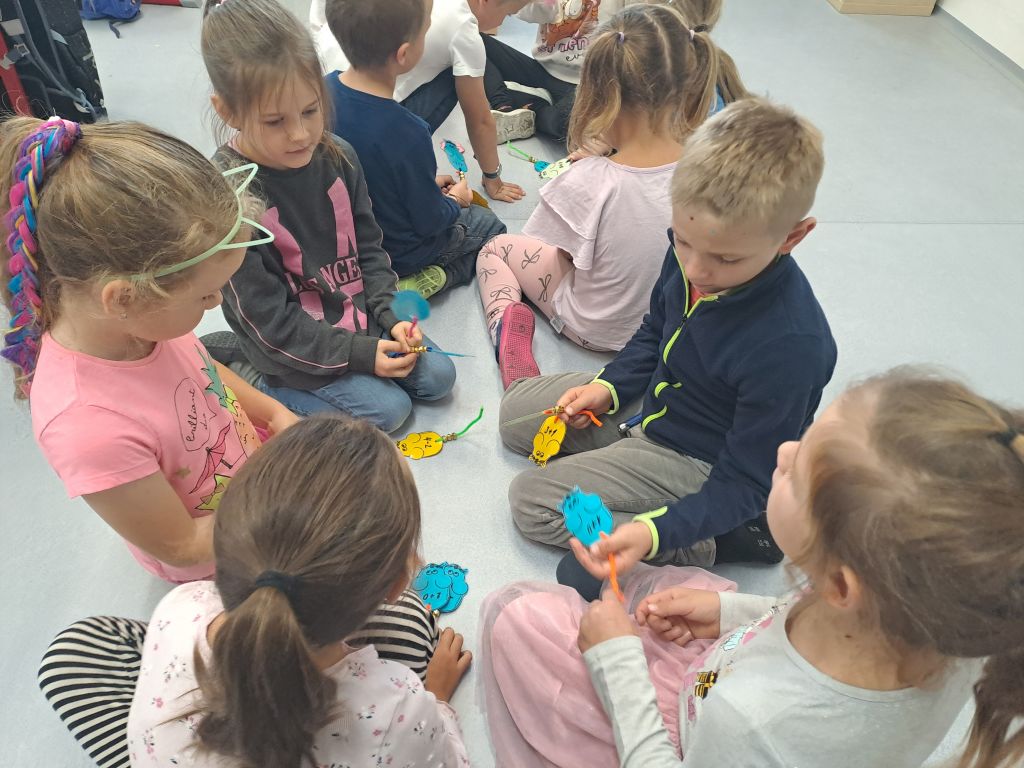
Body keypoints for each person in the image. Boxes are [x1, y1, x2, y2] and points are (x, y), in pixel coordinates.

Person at [479, 369, 1024, 768]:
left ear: (840, 585)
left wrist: (616, 663)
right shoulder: (947, 630)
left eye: (798, 472)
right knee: (651, 585)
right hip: (723, 672)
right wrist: (724, 610)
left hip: (683, 736)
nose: (783, 450)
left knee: (515, 615)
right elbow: (796, 613)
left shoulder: (751, 719)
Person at [498, 98, 837, 582]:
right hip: (656, 403)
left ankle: (719, 538)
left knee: (531, 501)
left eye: (726, 259)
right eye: (684, 240)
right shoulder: (692, 248)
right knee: (515, 415)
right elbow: (656, 332)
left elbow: (747, 479)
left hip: (699, 459)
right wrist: (610, 387)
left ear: (792, 237)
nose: (697, 269)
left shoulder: (792, 347)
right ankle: (630, 472)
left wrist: (656, 533)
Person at [0, 116, 297, 584]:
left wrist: (273, 413)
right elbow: (181, 545)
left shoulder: (148, 320)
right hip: (221, 555)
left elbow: (202, 371)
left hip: (254, 485)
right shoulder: (86, 426)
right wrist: (285, 501)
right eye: (206, 296)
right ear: (123, 298)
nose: (217, 302)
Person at [124, 415, 473, 767]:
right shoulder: (397, 708)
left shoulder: (179, 607)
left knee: (95, 640)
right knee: (414, 625)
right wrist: (438, 700)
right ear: (398, 583)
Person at [199, 0, 456, 433]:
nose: (300, 134)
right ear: (228, 111)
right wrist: (361, 355)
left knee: (439, 378)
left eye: (310, 110)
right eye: (275, 121)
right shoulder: (231, 197)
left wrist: (391, 316)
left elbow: (370, 250)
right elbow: (272, 323)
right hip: (289, 346)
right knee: (389, 412)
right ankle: (250, 374)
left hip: (354, 317)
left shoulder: (340, 157)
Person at [477, 4, 746, 388]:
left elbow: (566, 257)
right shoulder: (710, 164)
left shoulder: (588, 179)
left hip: (593, 329)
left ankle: (507, 327)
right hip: (666, 326)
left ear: (595, 95)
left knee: (496, 249)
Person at [325, 0, 507, 300]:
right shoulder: (409, 131)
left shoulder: (321, 93)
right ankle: (434, 277)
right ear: (404, 54)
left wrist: (426, 184)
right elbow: (431, 220)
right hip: (397, 253)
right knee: (489, 226)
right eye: (425, 31)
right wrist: (455, 201)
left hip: (346, 244)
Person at [310, 0, 529, 203]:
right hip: (361, 133)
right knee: (460, 75)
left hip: (322, 100)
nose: (502, 22)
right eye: (508, 14)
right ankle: (396, 165)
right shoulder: (463, 24)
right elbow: (479, 120)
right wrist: (492, 177)